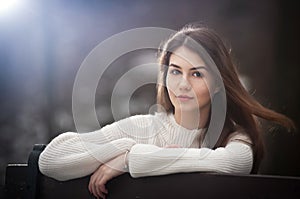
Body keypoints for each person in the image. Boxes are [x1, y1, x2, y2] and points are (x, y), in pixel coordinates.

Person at [38, 23, 295, 199]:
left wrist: (130, 161)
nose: (183, 84)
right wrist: (126, 147)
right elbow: (51, 159)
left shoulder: (233, 137)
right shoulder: (144, 129)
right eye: (175, 71)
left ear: (217, 83)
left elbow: (233, 163)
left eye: (196, 73)